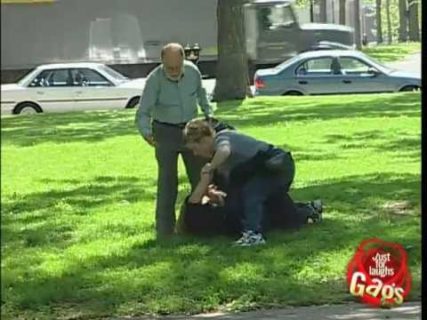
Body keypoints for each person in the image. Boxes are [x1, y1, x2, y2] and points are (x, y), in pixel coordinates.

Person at [183, 118, 313, 246]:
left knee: (252, 194)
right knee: (264, 199)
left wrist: (210, 167)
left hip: (276, 163)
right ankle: (309, 210)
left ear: (205, 139)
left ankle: (254, 233)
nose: (195, 153)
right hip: (268, 168)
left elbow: (225, 151)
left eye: (195, 148)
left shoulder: (221, 138)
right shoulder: (222, 157)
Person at [135, 43, 213, 238]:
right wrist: (146, 133)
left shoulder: (193, 72)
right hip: (165, 131)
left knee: (201, 178)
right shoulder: (154, 79)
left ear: (183, 61)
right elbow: (143, 111)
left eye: (178, 66)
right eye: (170, 68)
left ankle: (203, 225)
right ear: (162, 63)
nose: (174, 71)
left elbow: (202, 97)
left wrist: (209, 116)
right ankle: (165, 231)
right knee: (167, 182)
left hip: (192, 130)